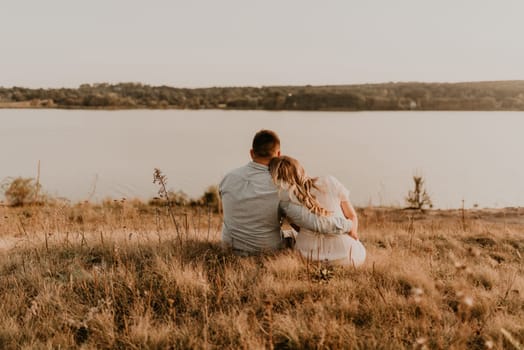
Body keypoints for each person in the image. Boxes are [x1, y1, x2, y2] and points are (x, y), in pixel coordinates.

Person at [219, 130, 352, 256]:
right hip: (265, 251)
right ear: (278, 154)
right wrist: (349, 224)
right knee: (294, 235)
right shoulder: (281, 187)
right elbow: (313, 222)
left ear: (252, 153)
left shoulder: (228, 178)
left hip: (228, 248)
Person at [268, 155, 366, 267]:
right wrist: (353, 233)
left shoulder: (287, 198)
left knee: (291, 235)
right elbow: (352, 216)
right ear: (301, 170)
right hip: (348, 257)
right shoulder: (329, 181)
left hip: (308, 257)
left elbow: (301, 227)